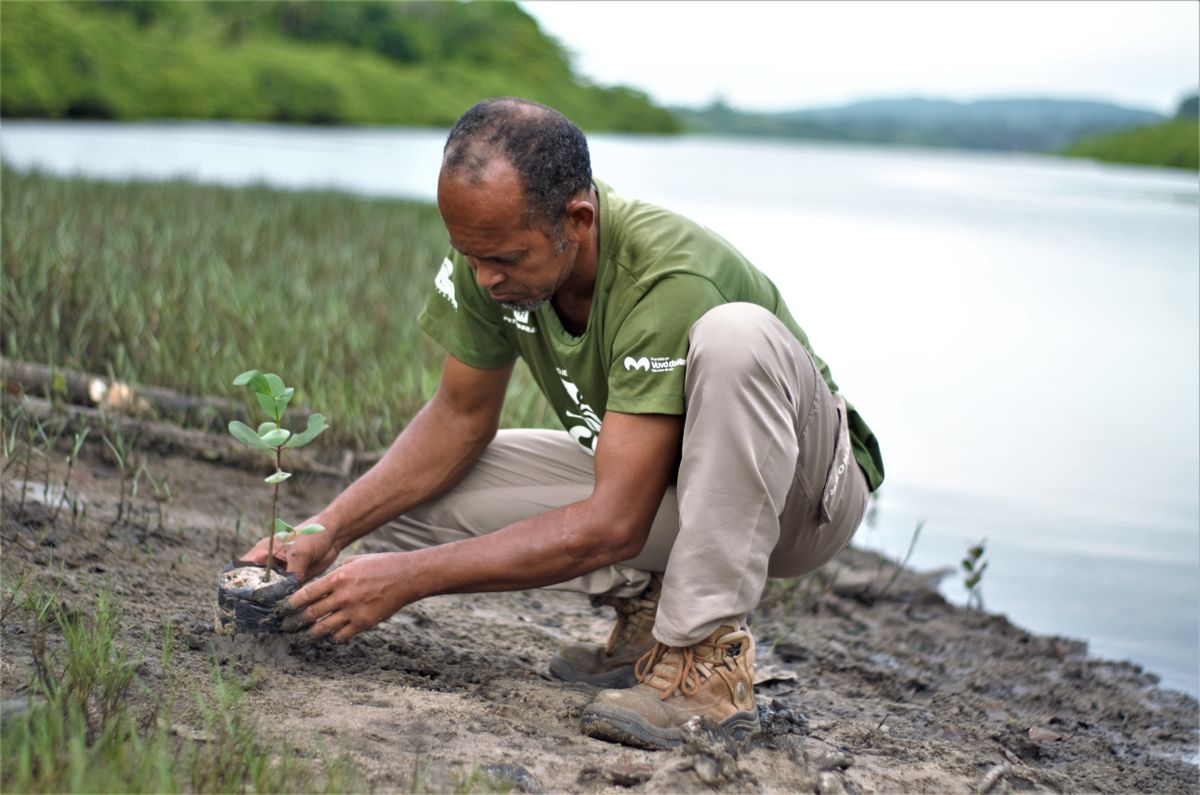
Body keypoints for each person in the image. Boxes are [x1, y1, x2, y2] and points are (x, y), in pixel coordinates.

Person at [243, 97, 884, 750]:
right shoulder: (488, 255)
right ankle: (651, 625)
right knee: (430, 495)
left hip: (803, 503)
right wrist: (322, 531)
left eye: (506, 260)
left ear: (577, 220)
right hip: (676, 481)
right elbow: (457, 418)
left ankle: (703, 666)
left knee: (735, 336)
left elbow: (613, 523)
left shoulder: (667, 274)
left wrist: (409, 577)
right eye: (470, 254)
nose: (486, 278)